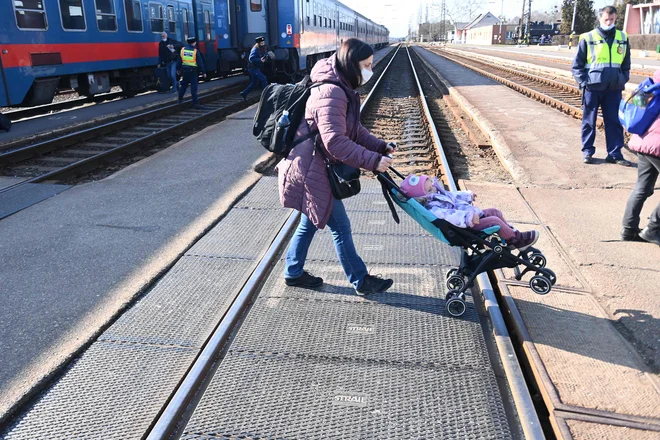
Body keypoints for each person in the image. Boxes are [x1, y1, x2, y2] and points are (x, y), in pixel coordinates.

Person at [277, 38, 395, 294]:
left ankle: (293, 272)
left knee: (309, 221)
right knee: (340, 227)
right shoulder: (332, 92)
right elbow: (336, 142)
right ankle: (361, 281)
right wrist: (373, 161)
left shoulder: (340, 86)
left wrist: (379, 146)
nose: (369, 70)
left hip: (310, 163)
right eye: (366, 65)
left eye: (371, 65)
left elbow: (353, 129)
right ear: (350, 64)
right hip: (311, 169)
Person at [400, 174, 540, 250]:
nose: (434, 189)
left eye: (432, 185)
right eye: (430, 189)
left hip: (471, 217)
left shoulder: (437, 195)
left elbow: (453, 197)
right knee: (494, 221)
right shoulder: (434, 208)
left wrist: (467, 195)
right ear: (423, 196)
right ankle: (517, 240)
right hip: (466, 225)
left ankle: (509, 237)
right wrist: (467, 217)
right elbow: (450, 216)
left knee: (494, 212)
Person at [572, 6, 632, 166]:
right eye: (606, 19)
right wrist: (584, 82)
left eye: (612, 20)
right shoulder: (588, 37)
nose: (609, 22)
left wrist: (623, 78)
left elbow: (626, 64)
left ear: (615, 18)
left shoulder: (623, 37)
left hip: (614, 88)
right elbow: (577, 66)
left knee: (614, 122)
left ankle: (614, 154)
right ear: (600, 19)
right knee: (589, 121)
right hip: (593, 88)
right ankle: (588, 152)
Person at [621, 70, 660, 245]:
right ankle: (653, 229)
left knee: (642, 188)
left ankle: (628, 231)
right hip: (657, 144)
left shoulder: (653, 80)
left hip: (643, 140)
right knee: (642, 188)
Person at [177, 36, 206, 108]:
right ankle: (195, 103)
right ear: (194, 43)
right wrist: (203, 72)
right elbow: (200, 62)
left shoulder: (183, 50)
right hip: (193, 71)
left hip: (185, 71)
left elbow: (179, 61)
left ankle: (180, 99)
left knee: (184, 85)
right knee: (194, 87)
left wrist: (178, 69)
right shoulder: (195, 51)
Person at [239, 36, 271, 101]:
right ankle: (265, 96)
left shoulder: (262, 48)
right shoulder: (255, 49)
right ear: (258, 43)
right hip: (253, 68)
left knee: (254, 83)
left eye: (263, 42)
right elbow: (251, 58)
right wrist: (260, 60)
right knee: (263, 78)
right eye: (261, 43)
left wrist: (268, 56)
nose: (263, 44)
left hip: (256, 68)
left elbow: (264, 55)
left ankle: (244, 93)